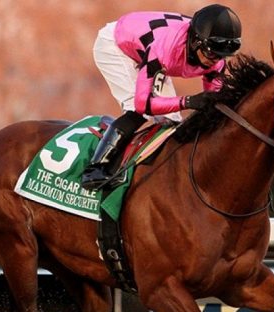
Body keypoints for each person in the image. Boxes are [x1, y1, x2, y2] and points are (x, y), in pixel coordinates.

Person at [81, 4, 243, 190]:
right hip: (116, 46)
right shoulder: (164, 49)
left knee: (171, 120)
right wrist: (188, 101)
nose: (214, 61)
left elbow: (214, 103)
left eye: (222, 56)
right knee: (137, 111)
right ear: (196, 42)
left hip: (147, 47)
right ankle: (94, 169)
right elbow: (143, 104)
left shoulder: (215, 60)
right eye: (211, 53)